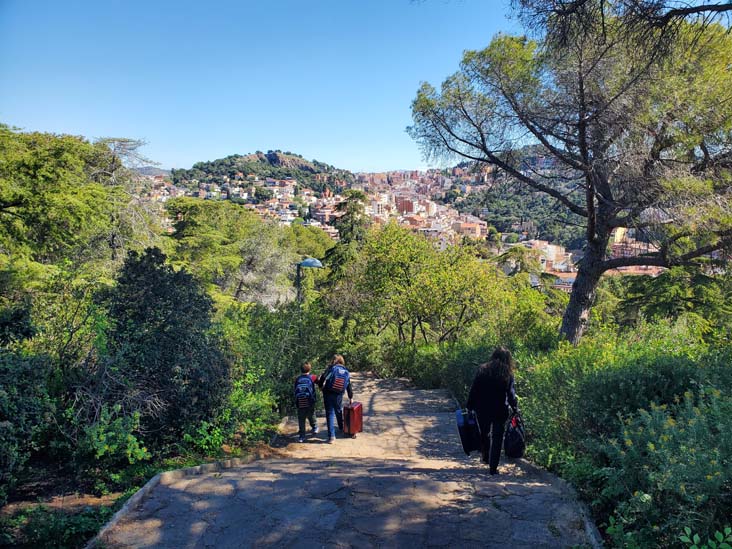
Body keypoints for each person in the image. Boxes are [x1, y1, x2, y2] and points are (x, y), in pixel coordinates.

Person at [466, 346, 519, 475]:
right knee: (497, 437)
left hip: (482, 408)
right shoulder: (507, 373)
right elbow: (511, 394)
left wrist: (469, 405)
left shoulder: (483, 369)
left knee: (484, 432)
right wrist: (515, 407)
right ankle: (493, 467)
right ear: (507, 359)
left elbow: (475, 388)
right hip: (500, 409)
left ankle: (485, 456)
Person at [318, 354, 353, 443]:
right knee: (338, 410)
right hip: (339, 394)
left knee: (330, 414)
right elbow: (349, 385)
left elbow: (322, 378)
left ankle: (332, 437)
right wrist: (350, 397)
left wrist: (320, 387)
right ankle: (341, 428)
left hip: (328, 392)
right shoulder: (346, 371)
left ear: (334, 361)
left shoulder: (331, 369)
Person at [294, 362, 319, 443]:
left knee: (301, 418)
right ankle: (314, 427)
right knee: (311, 414)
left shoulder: (297, 379)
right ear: (310, 369)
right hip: (310, 401)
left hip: (300, 402)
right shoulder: (312, 377)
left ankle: (302, 436)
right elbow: (319, 382)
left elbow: (295, 390)